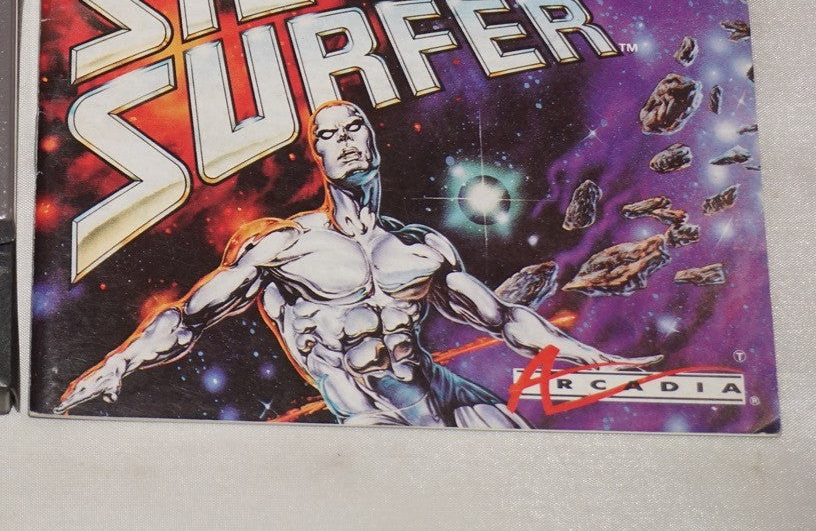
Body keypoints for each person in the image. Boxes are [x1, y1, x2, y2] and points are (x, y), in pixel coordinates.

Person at [57, 100, 657, 427]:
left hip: (443, 393)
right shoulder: (283, 245)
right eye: (328, 135)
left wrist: (588, 355)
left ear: (372, 143)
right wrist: (119, 362)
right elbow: (188, 317)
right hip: (367, 407)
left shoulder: (421, 246)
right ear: (316, 157)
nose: (344, 138)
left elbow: (501, 318)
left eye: (355, 128)